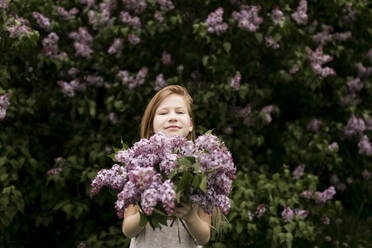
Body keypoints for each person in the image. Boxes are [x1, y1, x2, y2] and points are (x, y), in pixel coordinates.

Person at [122, 85, 212, 248]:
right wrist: (146, 209)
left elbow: (204, 237)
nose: (172, 117)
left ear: (190, 124)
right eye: (163, 113)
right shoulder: (139, 166)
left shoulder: (202, 166)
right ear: (151, 126)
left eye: (180, 112)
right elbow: (128, 229)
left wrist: (191, 216)